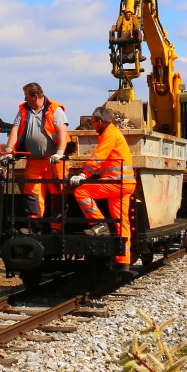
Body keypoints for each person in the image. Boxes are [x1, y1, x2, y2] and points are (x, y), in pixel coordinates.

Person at [70, 107, 137, 262]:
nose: (92, 125)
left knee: (81, 192)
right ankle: (124, 261)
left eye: (93, 122)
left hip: (116, 182)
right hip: (124, 183)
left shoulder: (110, 134)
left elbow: (98, 156)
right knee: (122, 221)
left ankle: (100, 224)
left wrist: (83, 174)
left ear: (100, 122)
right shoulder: (113, 133)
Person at [2, 82, 69, 232]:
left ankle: (57, 228)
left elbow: (62, 133)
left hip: (53, 161)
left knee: (58, 194)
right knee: (32, 195)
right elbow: (14, 131)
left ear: (35, 96)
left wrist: (59, 153)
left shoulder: (55, 109)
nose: (24, 99)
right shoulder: (24, 110)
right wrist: (8, 150)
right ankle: (34, 227)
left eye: (26, 96)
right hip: (33, 161)